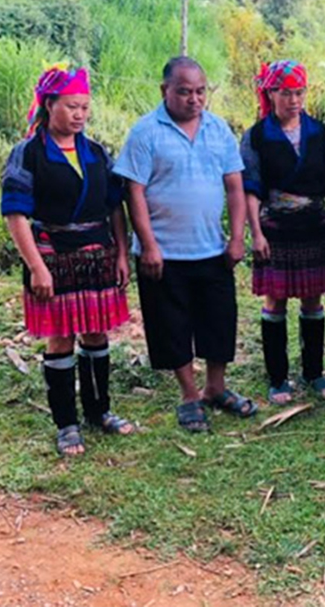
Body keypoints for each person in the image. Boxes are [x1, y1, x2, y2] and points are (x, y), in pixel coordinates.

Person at [114, 57, 257, 434]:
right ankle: (190, 395)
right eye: (184, 92)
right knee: (171, 325)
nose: (194, 99)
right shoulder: (145, 132)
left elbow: (234, 185)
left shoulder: (219, 129)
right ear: (165, 91)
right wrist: (148, 245)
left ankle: (216, 387)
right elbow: (134, 191)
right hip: (164, 254)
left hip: (212, 248)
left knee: (219, 320)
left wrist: (237, 237)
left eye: (200, 92)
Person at [1, 65, 133, 457]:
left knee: (97, 333)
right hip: (52, 257)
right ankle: (66, 423)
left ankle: (99, 411)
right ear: (49, 104)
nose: (79, 115)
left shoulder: (95, 153)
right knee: (61, 336)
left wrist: (123, 253)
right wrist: (37, 267)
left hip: (97, 256)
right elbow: (15, 215)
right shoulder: (28, 154)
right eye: (72, 106)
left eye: (85, 108)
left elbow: (115, 208)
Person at [242, 60, 325, 405]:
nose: (294, 100)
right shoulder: (257, 136)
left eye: (299, 93)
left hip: (313, 225)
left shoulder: (317, 132)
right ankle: (277, 378)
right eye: (286, 93)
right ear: (271, 93)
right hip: (275, 228)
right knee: (276, 299)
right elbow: (251, 188)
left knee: (313, 298)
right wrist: (256, 234)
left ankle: (314, 373)